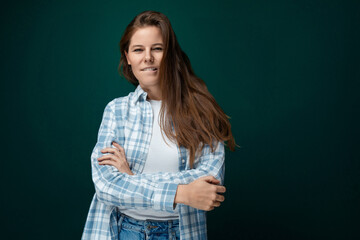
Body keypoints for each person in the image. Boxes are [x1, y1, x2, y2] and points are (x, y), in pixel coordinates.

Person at [81, 10, 236, 240]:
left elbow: (210, 183)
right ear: (127, 57)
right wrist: (182, 192)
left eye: (157, 48)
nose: (148, 58)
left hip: (181, 233)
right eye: (138, 50)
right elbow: (106, 186)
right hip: (124, 232)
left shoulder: (202, 111)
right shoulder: (116, 111)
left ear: (170, 54)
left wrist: (131, 178)